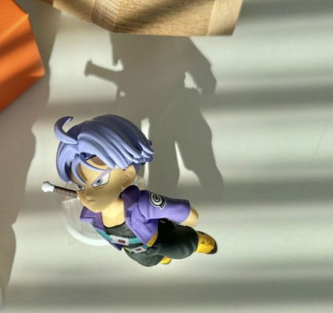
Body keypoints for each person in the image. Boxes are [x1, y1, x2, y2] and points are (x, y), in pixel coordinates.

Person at [54, 114, 217, 266]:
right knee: (150, 261)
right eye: (80, 186)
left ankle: (196, 241)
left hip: (159, 238)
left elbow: (169, 208)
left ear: (127, 175)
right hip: (135, 249)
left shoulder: (140, 204)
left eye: (99, 182)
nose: (87, 195)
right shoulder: (91, 216)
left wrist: (187, 215)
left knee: (181, 248)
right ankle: (161, 257)